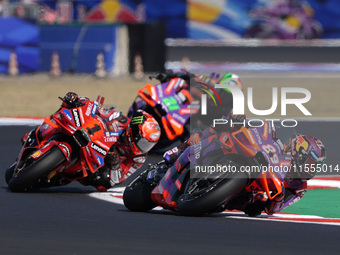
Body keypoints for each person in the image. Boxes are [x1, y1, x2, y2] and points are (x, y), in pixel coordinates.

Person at [22, 92, 161, 191]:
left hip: (99, 165)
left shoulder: (139, 158)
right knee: (66, 111)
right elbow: (97, 109)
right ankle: (39, 134)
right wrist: (79, 101)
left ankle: (55, 175)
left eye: (149, 145)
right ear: (134, 133)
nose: (144, 148)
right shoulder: (120, 120)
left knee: (101, 183)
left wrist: (114, 165)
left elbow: (119, 178)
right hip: (90, 138)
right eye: (144, 143)